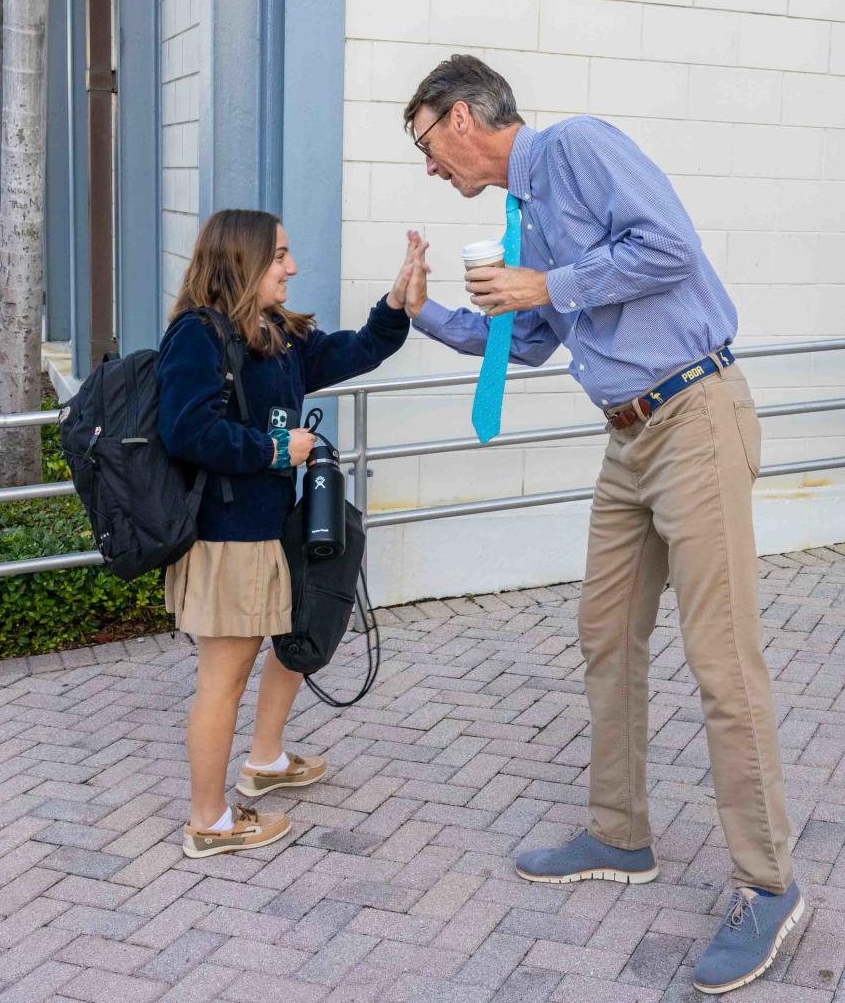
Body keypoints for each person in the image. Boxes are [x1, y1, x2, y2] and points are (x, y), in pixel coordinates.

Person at [400, 55, 802, 995]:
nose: (428, 167)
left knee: (722, 659)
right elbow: (532, 339)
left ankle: (768, 881)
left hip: (695, 415)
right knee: (604, 636)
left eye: (424, 144)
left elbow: (670, 247)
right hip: (628, 438)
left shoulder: (576, 148)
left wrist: (552, 284)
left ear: (464, 118)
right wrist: (428, 315)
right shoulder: (523, 216)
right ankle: (619, 831)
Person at [157, 209, 421, 859]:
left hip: (269, 529)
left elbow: (356, 349)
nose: (292, 266)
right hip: (228, 536)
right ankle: (209, 822)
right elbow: (186, 432)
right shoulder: (199, 335)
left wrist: (396, 303)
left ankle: (266, 759)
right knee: (223, 678)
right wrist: (278, 449)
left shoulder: (274, 335)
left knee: (288, 641)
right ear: (243, 259)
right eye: (279, 254)